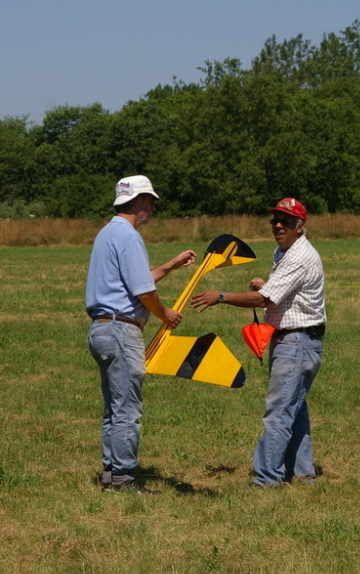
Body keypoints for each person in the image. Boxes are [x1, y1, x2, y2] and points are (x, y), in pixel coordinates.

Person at [191, 197, 326, 487]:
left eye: (286, 221)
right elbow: (283, 294)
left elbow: (265, 300)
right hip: (295, 340)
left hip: (297, 342)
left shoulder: (300, 256)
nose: (278, 225)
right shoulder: (284, 252)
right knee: (294, 410)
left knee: (278, 412)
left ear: (300, 227)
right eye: (274, 220)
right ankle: (303, 475)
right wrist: (267, 285)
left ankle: (267, 479)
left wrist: (222, 296)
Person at [85, 175, 196, 493]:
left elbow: (135, 279)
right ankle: (123, 480)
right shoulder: (130, 237)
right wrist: (165, 314)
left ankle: (111, 473)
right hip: (122, 330)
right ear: (136, 202)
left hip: (102, 328)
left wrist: (171, 265)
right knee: (127, 408)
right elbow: (143, 290)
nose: (153, 208)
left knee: (113, 407)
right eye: (150, 201)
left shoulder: (108, 233)